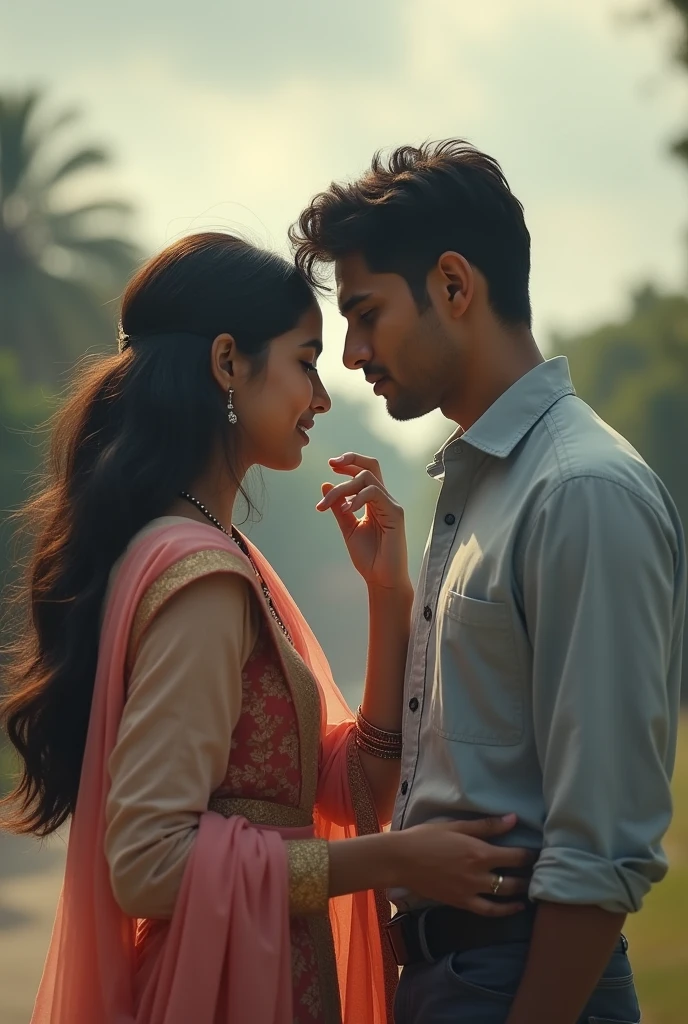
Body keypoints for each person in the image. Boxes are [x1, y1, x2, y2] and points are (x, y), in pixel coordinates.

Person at [0, 232, 535, 1024]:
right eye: (307, 359)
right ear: (226, 363)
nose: (322, 396)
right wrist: (395, 859)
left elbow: (355, 787)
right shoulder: (200, 576)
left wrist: (386, 592)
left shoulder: (214, 552)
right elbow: (148, 864)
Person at [291, 140, 687, 1024]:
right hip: (451, 980)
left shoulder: (580, 491)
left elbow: (604, 843)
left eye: (365, 313)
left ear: (454, 286)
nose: (352, 355)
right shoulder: (479, 488)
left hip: (522, 983)